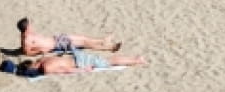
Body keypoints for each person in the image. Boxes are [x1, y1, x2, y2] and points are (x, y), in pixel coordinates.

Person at [17, 17, 120, 55]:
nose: (31, 25)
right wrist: (40, 51)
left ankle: (104, 41)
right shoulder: (26, 40)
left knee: (83, 39)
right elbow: (27, 52)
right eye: (29, 24)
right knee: (84, 43)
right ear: (26, 27)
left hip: (57, 39)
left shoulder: (29, 34)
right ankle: (108, 46)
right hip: (57, 45)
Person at [15, 52, 147, 76]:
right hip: (77, 57)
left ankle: (137, 60)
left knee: (109, 62)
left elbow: (66, 70)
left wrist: (83, 70)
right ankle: (135, 59)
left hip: (80, 62)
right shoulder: (42, 60)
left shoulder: (46, 68)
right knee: (108, 59)